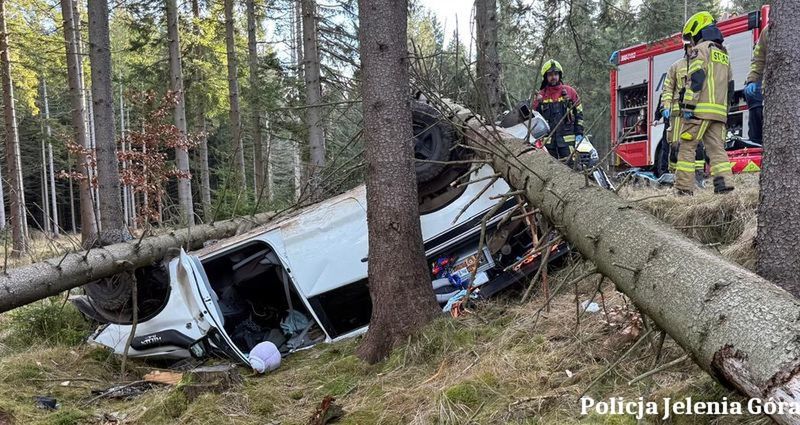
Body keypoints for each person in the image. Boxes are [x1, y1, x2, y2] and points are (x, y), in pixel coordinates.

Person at [676, 11, 734, 195]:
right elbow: (730, 86)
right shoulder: (723, 54)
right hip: (718, 113)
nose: (691, 42)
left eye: (691, 37)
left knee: (687, 148)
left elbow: (696, 79)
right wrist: (725, 111)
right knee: (717, 149)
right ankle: (724, 186)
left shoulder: (699, 50)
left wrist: (687, 106)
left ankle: (683, 190)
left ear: (697, 31)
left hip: (699, 111)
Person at [660, 47, 707, 187]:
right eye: (689, 48)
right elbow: (668, 88)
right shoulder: (676, 66)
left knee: (696, 144)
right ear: (685, 49)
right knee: (675, 145)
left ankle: (698, 175)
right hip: (677, 114)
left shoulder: (702, 65)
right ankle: (673, 176)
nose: (692, 50)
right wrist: (666, 106)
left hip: (695, 112)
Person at [532, 59, 585, 163]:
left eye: (556, 74)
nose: (553, 77)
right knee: (551, 170)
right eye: (550, 74)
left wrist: (579, 133)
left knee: (570, 169)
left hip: (567, 141)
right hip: (548, 143)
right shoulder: (540, 96)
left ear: (560, 75)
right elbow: (534, 119)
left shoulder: (570, 92)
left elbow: (579, 114)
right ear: (545, 77)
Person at [744, 24, 768, 145]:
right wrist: (752, 80)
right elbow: (758, 60)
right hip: (771, 87)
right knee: (754, 98)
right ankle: (756, 143)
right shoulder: (768, 31)